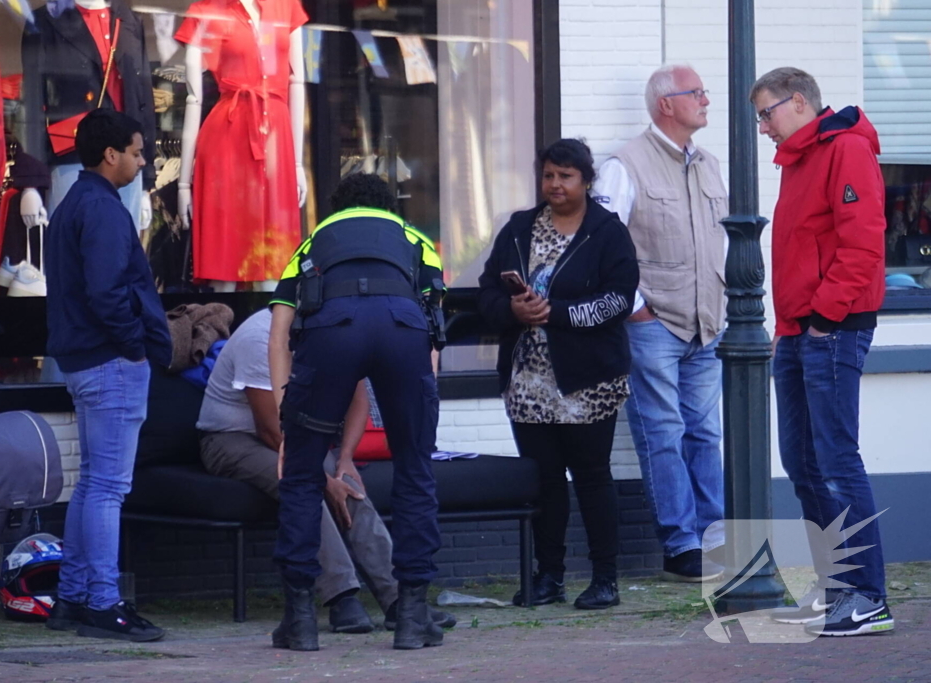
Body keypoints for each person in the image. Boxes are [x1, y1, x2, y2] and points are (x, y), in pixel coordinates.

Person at [268, 173, 446, 651]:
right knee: (415, 471)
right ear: (389, 207)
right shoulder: (416, 239)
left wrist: (289, 417)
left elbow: (281, 327)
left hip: (331, 331)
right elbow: (434, 329)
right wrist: (421, 408)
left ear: (338, 207)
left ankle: (300, 620)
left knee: (302, 477)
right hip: (402, 331)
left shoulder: (313, 241)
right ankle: (411, 616)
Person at [197, 307, 455, 633]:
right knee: (304, 488)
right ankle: (342, 597)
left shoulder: (334, 331)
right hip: (233, 439)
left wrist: (344, 460)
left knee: (349, 485)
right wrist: (323, 481)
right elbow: (268, 430)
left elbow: (357, 399)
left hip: (296, 436)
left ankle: (398, 600)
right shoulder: (259, 338)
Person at [752, 67, 892, 637]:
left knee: (835, 461)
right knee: (803, 464)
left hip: (830, 328)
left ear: (801, 103)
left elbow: (863, 243)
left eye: (767, 113)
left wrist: (822, 319)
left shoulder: (846, 151)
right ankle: (838, 588)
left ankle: (867, 596)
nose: (762, 127)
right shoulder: (801, 159)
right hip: (798, 330)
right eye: (759, 116)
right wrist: (791, 328)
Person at [477, 138, 639, 611]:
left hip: (589, 381)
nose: (555, 185)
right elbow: (486, 295)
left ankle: (605, 578)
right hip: (528, 381)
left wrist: (555, 314)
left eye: (566, 176)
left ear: (586, 181)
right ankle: (549, 577)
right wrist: (512, 309)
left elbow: (618, 302)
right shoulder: (518, 229)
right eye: (549, 175)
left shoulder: (606, 233)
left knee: (591, 477)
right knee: (544, 481)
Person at [592, 64, 727, 582]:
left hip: (708, 327)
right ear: (666, 104)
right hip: (653, 325)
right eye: (698, 93)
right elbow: (603, 244)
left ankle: (715, 541)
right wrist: (635, 308)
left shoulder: (710, 164)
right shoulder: (624, 166)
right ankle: (681, 545)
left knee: (705, 434)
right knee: (663, 433)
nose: (707, 101)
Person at [44, 109, 172, 642]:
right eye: (138, 153)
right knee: (108, 487)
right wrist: (134, 347)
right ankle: (102, 601)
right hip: (109, 360)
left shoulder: (73, 202)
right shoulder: (101, 208)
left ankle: (73, 599)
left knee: (93, 482)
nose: (143, 163)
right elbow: (107, 291)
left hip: (83, 358)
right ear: (111, 154)